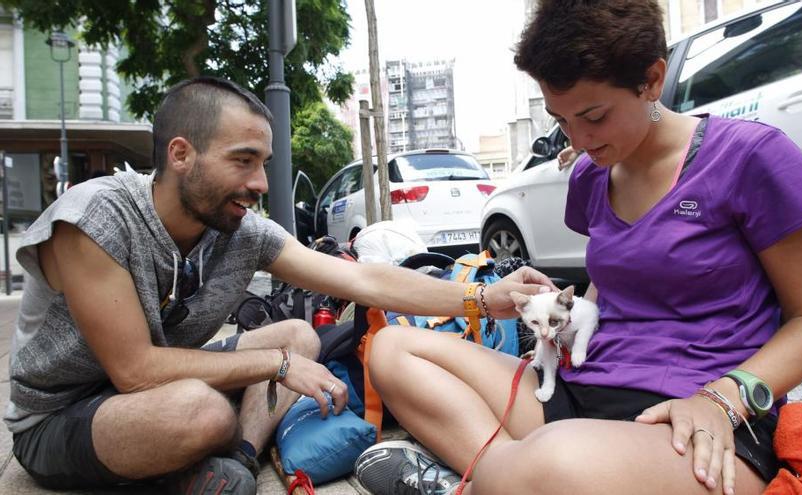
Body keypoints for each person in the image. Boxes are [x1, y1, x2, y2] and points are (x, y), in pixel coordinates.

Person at [355, 1, 802, 494]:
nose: (579, 139)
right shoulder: (591, 176)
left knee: (552, 461)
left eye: (594, 116)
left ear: (652, 80)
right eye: (561, 120)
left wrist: (725, 397)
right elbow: (613, 285)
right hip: (582, 389)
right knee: (394, 349)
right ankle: (503, 478)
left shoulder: (752, 158)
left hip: (694, 418)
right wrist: (563, 327)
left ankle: (480, 481)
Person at [4, 76, 554, 495]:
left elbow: (362, 277)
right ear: (180, 155)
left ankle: (237, 464)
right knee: (201, 412)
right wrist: (277, 368)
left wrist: (484, 297)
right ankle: (183, 470)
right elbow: (136, 371)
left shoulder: (239, 229)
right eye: (243, 161)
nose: (260, 184)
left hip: (159, 387)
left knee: (298, 335)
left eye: (263, 163)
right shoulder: (96, 219)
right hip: (61, 416)